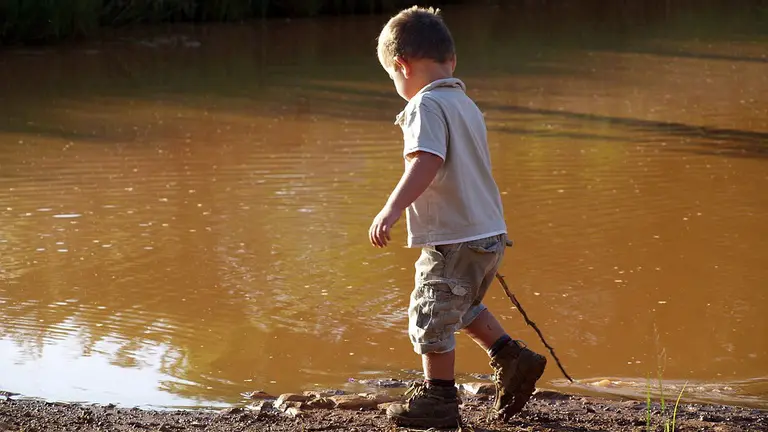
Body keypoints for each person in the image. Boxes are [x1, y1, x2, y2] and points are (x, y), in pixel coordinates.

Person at [367, 5, 547, 429]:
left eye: (393, 77)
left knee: (430, 309)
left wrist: (391, 208)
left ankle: (439, 400)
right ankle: (511, 356)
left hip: (456, 236)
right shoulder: (463, 101)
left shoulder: (425, 106)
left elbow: (427, 160)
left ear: (401, 66)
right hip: (488, 232)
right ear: (452, 61)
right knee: (461, 304)